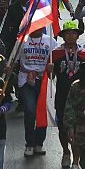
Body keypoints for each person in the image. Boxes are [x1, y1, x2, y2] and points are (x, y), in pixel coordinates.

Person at [53, 21, 85, 169]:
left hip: (79, 98)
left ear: (78, 35)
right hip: (61, 96)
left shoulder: (84, 54)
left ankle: (76, 162)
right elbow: (50, 77)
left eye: (74, 33)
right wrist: (49, 70)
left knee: (77, 129)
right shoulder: (56, 53)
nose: (71, 35)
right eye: (68, 33)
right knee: (63, 128)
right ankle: (66, 152)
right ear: (63, 36)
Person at [16, 26, 54, 157]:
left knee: (41, 111)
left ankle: (39, 143)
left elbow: (55, 59)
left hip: (43, 80)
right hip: (26, 80)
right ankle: (29, 144)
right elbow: (14, 60)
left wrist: (51, 68)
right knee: (30, 111)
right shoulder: (21, 40)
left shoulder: (50, 40)